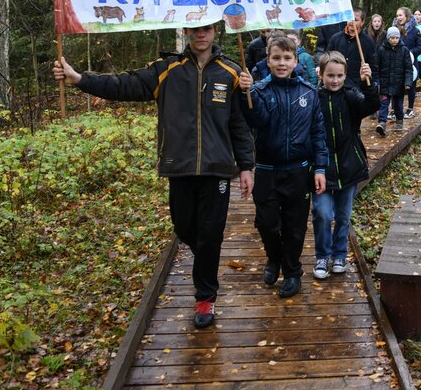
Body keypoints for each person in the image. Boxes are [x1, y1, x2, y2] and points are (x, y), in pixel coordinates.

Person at [53, 21, 255, 329]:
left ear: (216, 31)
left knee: (211, 234)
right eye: (195, 29)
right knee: (185, 228)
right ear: (186, 32)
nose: (201, 34)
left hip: (217, 168)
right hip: (179, 166)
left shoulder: (232, 73)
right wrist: (80, 79)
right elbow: (123, 84)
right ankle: (204, 255)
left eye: (207, 29)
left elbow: (239, 124)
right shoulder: (167, 70)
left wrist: (247, 166)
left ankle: (205, 297)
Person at [238, 35, 328, 299]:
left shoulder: (309, 92)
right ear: (268, 60)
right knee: (267, 223)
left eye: (287, 58)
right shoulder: (259, 91)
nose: (281, 63)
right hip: (267, 170)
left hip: (298, 170)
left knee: (295, 227)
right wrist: (246, 94)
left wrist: (320, 168)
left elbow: (318, 133)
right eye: (276, 58)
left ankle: (292, 272)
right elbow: (256, 120)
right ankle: (273, 258)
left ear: (295, 61)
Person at [312, 53, 379, 279]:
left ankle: (339, 254)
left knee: (343, 215)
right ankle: (322, 255)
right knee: (322, 213)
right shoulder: (314, 98)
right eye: (330, 75)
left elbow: (371, 105)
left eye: (339, 76)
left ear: (345, 75)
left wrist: (367, 83)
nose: (335, 80)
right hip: (321, 167)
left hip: (349, 165)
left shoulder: (351, 96)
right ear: (321, 75)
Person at [326, 8, 378, 88]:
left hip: (357, 88)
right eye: (349, 18)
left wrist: (370, 82)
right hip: (337, 85)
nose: (351, 22)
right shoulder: (335, 38)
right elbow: (327, 59)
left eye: (355, 20)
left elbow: (373, 67)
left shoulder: (368, 42)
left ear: (362, 22)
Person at [376, 26, 413, 135]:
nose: (394, 40)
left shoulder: (404, 50)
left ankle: (399, 120)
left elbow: (408, 68)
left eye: (396, 38)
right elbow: (376, 67)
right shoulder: (381, 50)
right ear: (388, 38)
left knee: (398, 105)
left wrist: (407, 82)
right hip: (385, 83)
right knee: (383, 104)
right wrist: (377, 81)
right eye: (392, 38)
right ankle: (382, 123)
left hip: (399, 83)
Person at [395, 7, 421, 118]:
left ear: (407, 16)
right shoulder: (394, 29)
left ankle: (410, 109)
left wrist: (411, 52)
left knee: (411, 86)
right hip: (397, 63)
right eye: (397, 15)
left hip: (411, 64)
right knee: (396, 86)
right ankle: (395, 110)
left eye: (400, 15)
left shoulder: (415, 30)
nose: (398, 18)